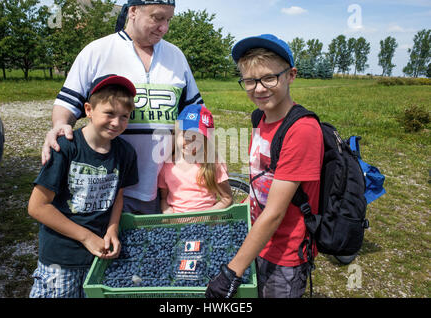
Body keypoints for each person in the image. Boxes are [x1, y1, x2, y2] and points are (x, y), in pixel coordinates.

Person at [41, 0, 203, 215]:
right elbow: (67, 103)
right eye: (157, 18)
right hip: (107, 186)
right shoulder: (97, 51)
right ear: (133, 11)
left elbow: (195, 112)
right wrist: (60, 125)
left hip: (163, 188)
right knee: (111, 245)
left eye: (168, 20)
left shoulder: (176, 56)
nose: (164, 27)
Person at [205, 34, 324, 298]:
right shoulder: (260, 119)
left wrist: (231, 273)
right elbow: (260, 181)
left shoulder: (301, 130)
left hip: (286, 253)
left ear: (291, 75)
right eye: (249, 81)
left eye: (269, 78)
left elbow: (274, 213)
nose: (259, 88)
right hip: (258, 240)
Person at [28, 75, 139, 298]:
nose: (116, 122)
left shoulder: (125, 152)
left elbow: (117, 195)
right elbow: (37, 207)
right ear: (88, 109)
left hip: (99, 257)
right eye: (109, 113)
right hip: (61, 258)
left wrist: (112, 230)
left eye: (124, 116)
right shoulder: (65, 148)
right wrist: (87, 237)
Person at [158, 104, 233, 214]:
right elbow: (163, 199)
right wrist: (167, 210)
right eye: (187, 137)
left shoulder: (212, 164)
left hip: (206, 225)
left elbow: (227, 199)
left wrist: (204, 217)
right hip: (176, 225)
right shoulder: (166, 166)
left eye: (197, 139)